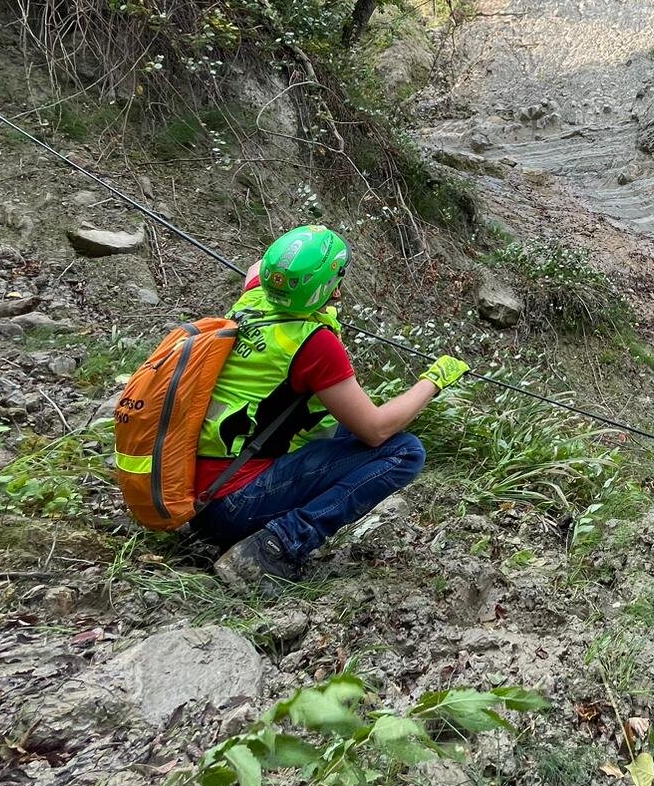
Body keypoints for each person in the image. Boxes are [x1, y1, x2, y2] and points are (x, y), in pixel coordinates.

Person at [191, 225, 470, 592]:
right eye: (336, 281)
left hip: (196, 488)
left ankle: (269, 531)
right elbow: (376, 429)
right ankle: (278, 545)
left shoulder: (253, 301)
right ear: (326, 289)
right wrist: (433, 381)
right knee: (403, 452)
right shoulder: (315, 345)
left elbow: (260, 267)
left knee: (341, 430)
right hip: (231, 504)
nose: (339, 289)